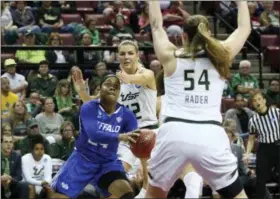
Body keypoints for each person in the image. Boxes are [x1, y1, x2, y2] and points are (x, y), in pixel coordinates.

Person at [146, 1, 251, 198]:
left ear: (183, 36)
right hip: (209, 134)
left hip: (174, 132)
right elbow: (244, 28)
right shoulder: (222, 56)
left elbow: (156, 25)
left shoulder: (171, 56)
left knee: (153, 195)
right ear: (208, 34)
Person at [72, 40, 158, 172]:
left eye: (130, 53)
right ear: (118, 57)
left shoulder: (147, 74)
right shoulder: (114, 83)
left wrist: (127, 78)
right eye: (122, 54)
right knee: (115, 177)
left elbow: (143, 79)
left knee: (149, 178)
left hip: (149, 133)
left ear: (137, 55)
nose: (126, 57)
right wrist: (82, 91)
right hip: (127, 137)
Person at [50, 75, 139, 199]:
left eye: (116, 86)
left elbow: (135, 138)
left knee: (126, 193)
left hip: (107, 163)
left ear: (120, 92)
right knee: (58, 196)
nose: (112, 88)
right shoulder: (89, 107)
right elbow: (94, 134)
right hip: (82, 160)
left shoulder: (127, 115)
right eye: (108, 84)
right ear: (100, 89)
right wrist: (121, 136)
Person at [246, 91, 280, 198]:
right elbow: (251, 139)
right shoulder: (253, 120)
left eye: (259, 99)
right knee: (260, 179)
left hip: (278, 146)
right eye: (255, 101)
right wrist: (247, 154)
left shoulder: (277, 112)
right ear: (252, 104)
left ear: (265, 101)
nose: (257, 102)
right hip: (264, 149)